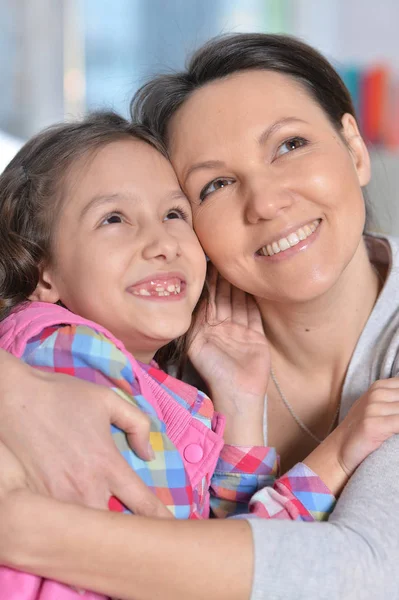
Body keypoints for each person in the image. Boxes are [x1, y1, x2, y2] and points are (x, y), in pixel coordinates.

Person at [0, 33, 399, 599]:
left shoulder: (177, 365)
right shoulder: (126, 335)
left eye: (289, 145)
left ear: (355, 150)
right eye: (214, 184)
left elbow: (366, 573)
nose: (264, 202)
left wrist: (17, 527)